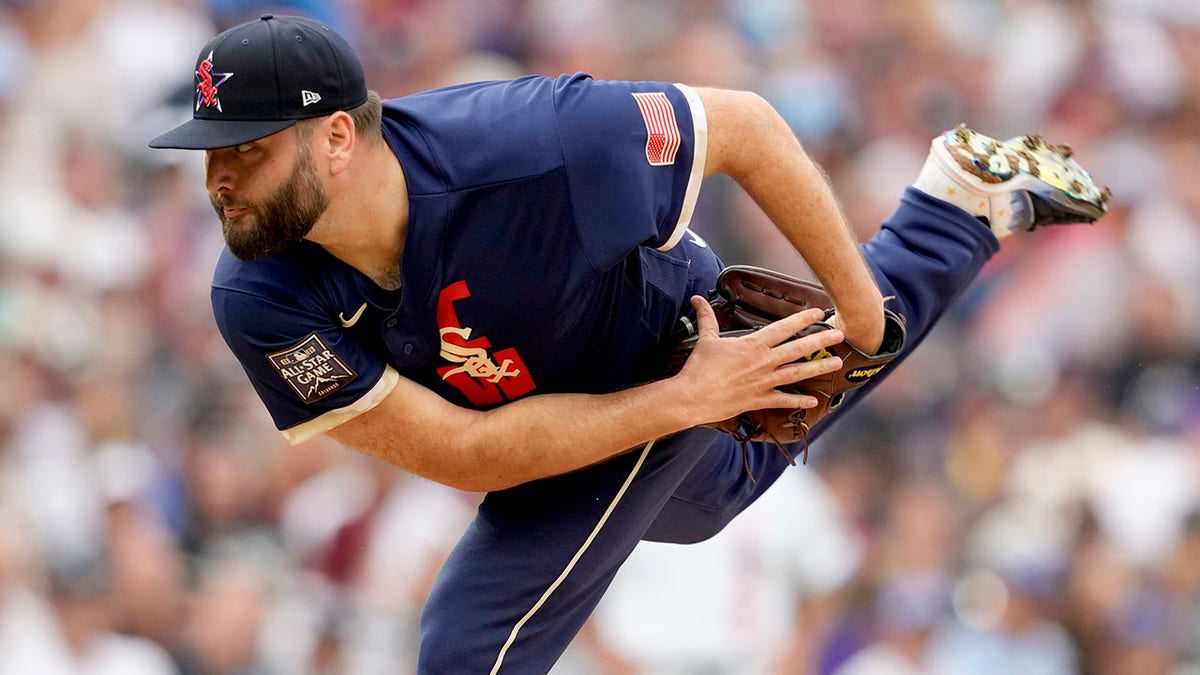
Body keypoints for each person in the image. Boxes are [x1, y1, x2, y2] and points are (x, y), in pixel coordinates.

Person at [148, 14, 1110, 673]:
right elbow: (462, 452)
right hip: (589, 417)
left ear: (335, 141)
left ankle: (912, 256)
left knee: (465, 647)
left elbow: (743, 125)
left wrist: (863, 316)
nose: (219, 180)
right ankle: (957, 207)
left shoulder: (538, 145)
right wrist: (700, 400)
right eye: (212, 151)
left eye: (249, 149)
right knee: (718, 493)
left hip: (660, 343)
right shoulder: (258, 294)